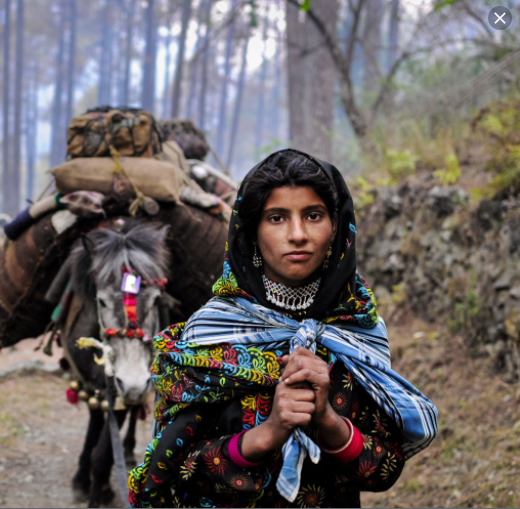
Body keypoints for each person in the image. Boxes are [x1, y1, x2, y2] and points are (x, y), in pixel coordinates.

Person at [128, 149, 438, 508]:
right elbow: (173, 470)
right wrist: (267, 434)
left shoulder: (357, 330)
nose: (297, 234)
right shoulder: (208, 334)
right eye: (276, 218)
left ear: (336, 228)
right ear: (253, 232)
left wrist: (328, 422)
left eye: (314, 215)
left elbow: (384, 471)